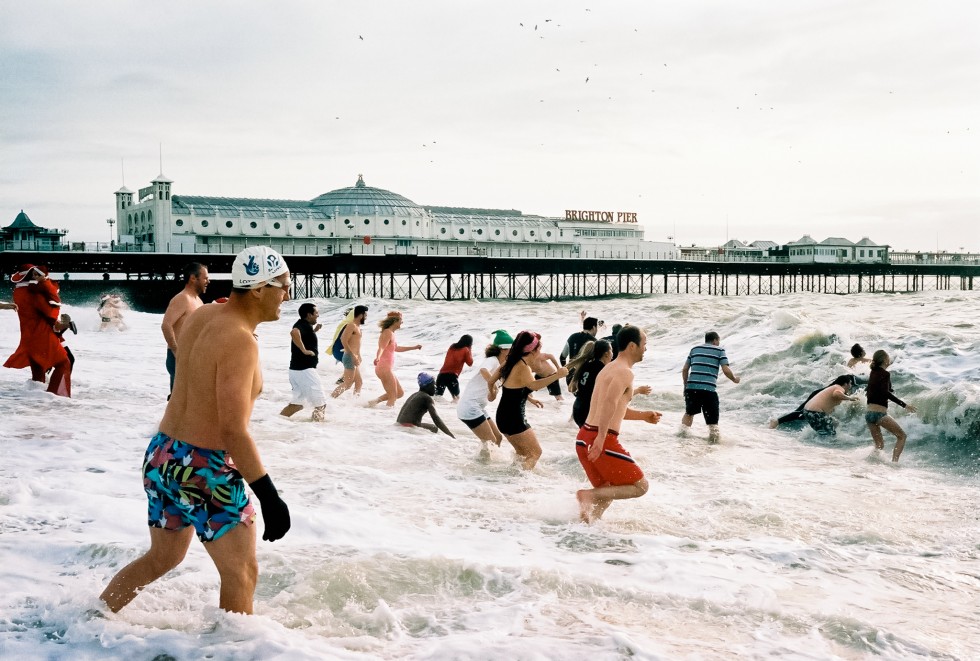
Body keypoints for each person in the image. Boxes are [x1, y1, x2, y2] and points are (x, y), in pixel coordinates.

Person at [100, 246, 292, 615]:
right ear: (258, 289)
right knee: (242, 573)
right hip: (204, 468)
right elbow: (232, 429)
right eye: (283, 284)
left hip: (163, 455)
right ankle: (235, 652)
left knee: (163, 557)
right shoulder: (240, 339)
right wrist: (269, 495)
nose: (287, 292)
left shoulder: (203, 314)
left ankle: (95, 617)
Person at [575, 325, 662, 523]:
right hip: (599, 438)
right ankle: (586, 497)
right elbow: (609, 404)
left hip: (584, 437)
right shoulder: (625, 372)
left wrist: (643, 416)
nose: (645, 349)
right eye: (644, 344)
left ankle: (585, 529)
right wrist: (601, 439)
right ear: (632, 346)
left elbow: (613, 410)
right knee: (641, 486)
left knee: (607, 491)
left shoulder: (608, 369)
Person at [495, 330, 572, 470]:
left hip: (503, 416)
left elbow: (504, 384)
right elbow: (534, 385)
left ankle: (509, 482)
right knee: (535, 453)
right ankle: (520, 485)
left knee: (522, 454)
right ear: (533, 351)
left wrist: (528, 398)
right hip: (514, 418)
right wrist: (557, 375)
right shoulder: (523, 367)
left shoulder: (512, 361)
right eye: (539, 348)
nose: (540, 351)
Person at [3, 264, 72, 397]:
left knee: (38, 372)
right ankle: (57, 397)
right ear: (30, 275)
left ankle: (37, 403)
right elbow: (48, 312)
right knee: (64, 363)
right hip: (41, 334)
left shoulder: (17, 292)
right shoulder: (32, 292)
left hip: (27, 337)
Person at [457, 330, 513, 456]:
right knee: (490, 441)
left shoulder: (502, 367)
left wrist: (494, 392)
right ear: (503, 349)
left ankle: (485, 465)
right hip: (470, 407)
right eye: (511, 349)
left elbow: (491, 398)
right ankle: (483, 466)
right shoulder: (492, 360)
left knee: (497, 438)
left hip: (478, 407)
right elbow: (483, 370)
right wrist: (492, 383)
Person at [681, 331, 740, 443]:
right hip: (708, 390)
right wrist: (734, 379)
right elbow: (726, 369)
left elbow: (685, 369)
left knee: (689, 413)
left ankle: (682, 436)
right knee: (713, 422)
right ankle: (713, 445)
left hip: (691, 388)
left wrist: (685, 386)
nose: (718, 343)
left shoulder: (694, 349)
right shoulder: (720, 350)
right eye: (718, 341)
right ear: (715, 340)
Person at [161, 262, 209, 395]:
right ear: (193, 278)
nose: (208, 281)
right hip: (179, 357)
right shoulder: (182, 298)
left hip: (193, 357)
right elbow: (166, 325)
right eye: (205, 278)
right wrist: (177, 352)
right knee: (180, 404)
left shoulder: (198, 301)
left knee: (191, 404)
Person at [865, 350, 917, 462]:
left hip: (869, 414)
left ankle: (869, 463)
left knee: (879, 445)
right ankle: (894, 463)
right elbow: (886, 393)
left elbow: (873, 391)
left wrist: (889, 387)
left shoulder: (873, 373)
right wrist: (905, 405)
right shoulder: (885, 374)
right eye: (888, 358)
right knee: (902, 436)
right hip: (879, 414)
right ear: (885, 360)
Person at [279, 303, 327, 422]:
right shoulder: (301, 326)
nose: (318, 315)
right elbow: (294, 332)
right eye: (316, 313)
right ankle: (318, 432)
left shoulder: (305, 325)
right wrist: (304, 351)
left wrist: (314, 331)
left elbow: (302, 335)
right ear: (309, 315)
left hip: (297, 370)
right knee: (321, 404)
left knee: (297, 405)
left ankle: (276, 422)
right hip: (304, 370)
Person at [367, 311, 422, 408]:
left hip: (386, 368)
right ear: (395, 320)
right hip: (384, 368)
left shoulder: (391, 333)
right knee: (393, 395)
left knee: (399, 393)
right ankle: (387, 415)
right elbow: (381, 348)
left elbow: (396, 348)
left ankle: (373, 402)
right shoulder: (387, 332)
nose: (402, 322)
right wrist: (378, 357)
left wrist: (414, 347)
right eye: (401, 320)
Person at [768, 375, 856, 430]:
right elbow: (837, 394)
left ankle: (780, 421)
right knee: (800, 412)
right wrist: (850, 398)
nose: (851, 385)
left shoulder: (836, 386)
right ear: (846, 383)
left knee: (802, 412)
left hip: (816, 398)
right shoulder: (839, 388)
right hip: (816, 395)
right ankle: (777, 421)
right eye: (850, 383)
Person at [332, 305, 368, 398]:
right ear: (361, 315)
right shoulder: (351, 325)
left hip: (354, 357)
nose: (366, 317)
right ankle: (330, 398)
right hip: (349, 357)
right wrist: (352, 356)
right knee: (348, 384)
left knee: (359, 382)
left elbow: (357, 344)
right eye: (365, 314)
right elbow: (343, 339)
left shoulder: (358, 327)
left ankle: (355, 401)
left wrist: (358, 355)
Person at [560, 316, 601, 384]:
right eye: (597, 328)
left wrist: (566, 372)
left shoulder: (572, 337)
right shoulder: (595, 342)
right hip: (585, 380)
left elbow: (562, 357)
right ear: (594, 327)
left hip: (570, 379)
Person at [435, 334, 474, 402]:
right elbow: (470, 363)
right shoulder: (466, 350)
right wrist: (469, 349)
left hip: (441, 375)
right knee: (456, 399)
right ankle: (450, 411)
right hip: (452, 377)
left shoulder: (452, 346)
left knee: (436, 397)